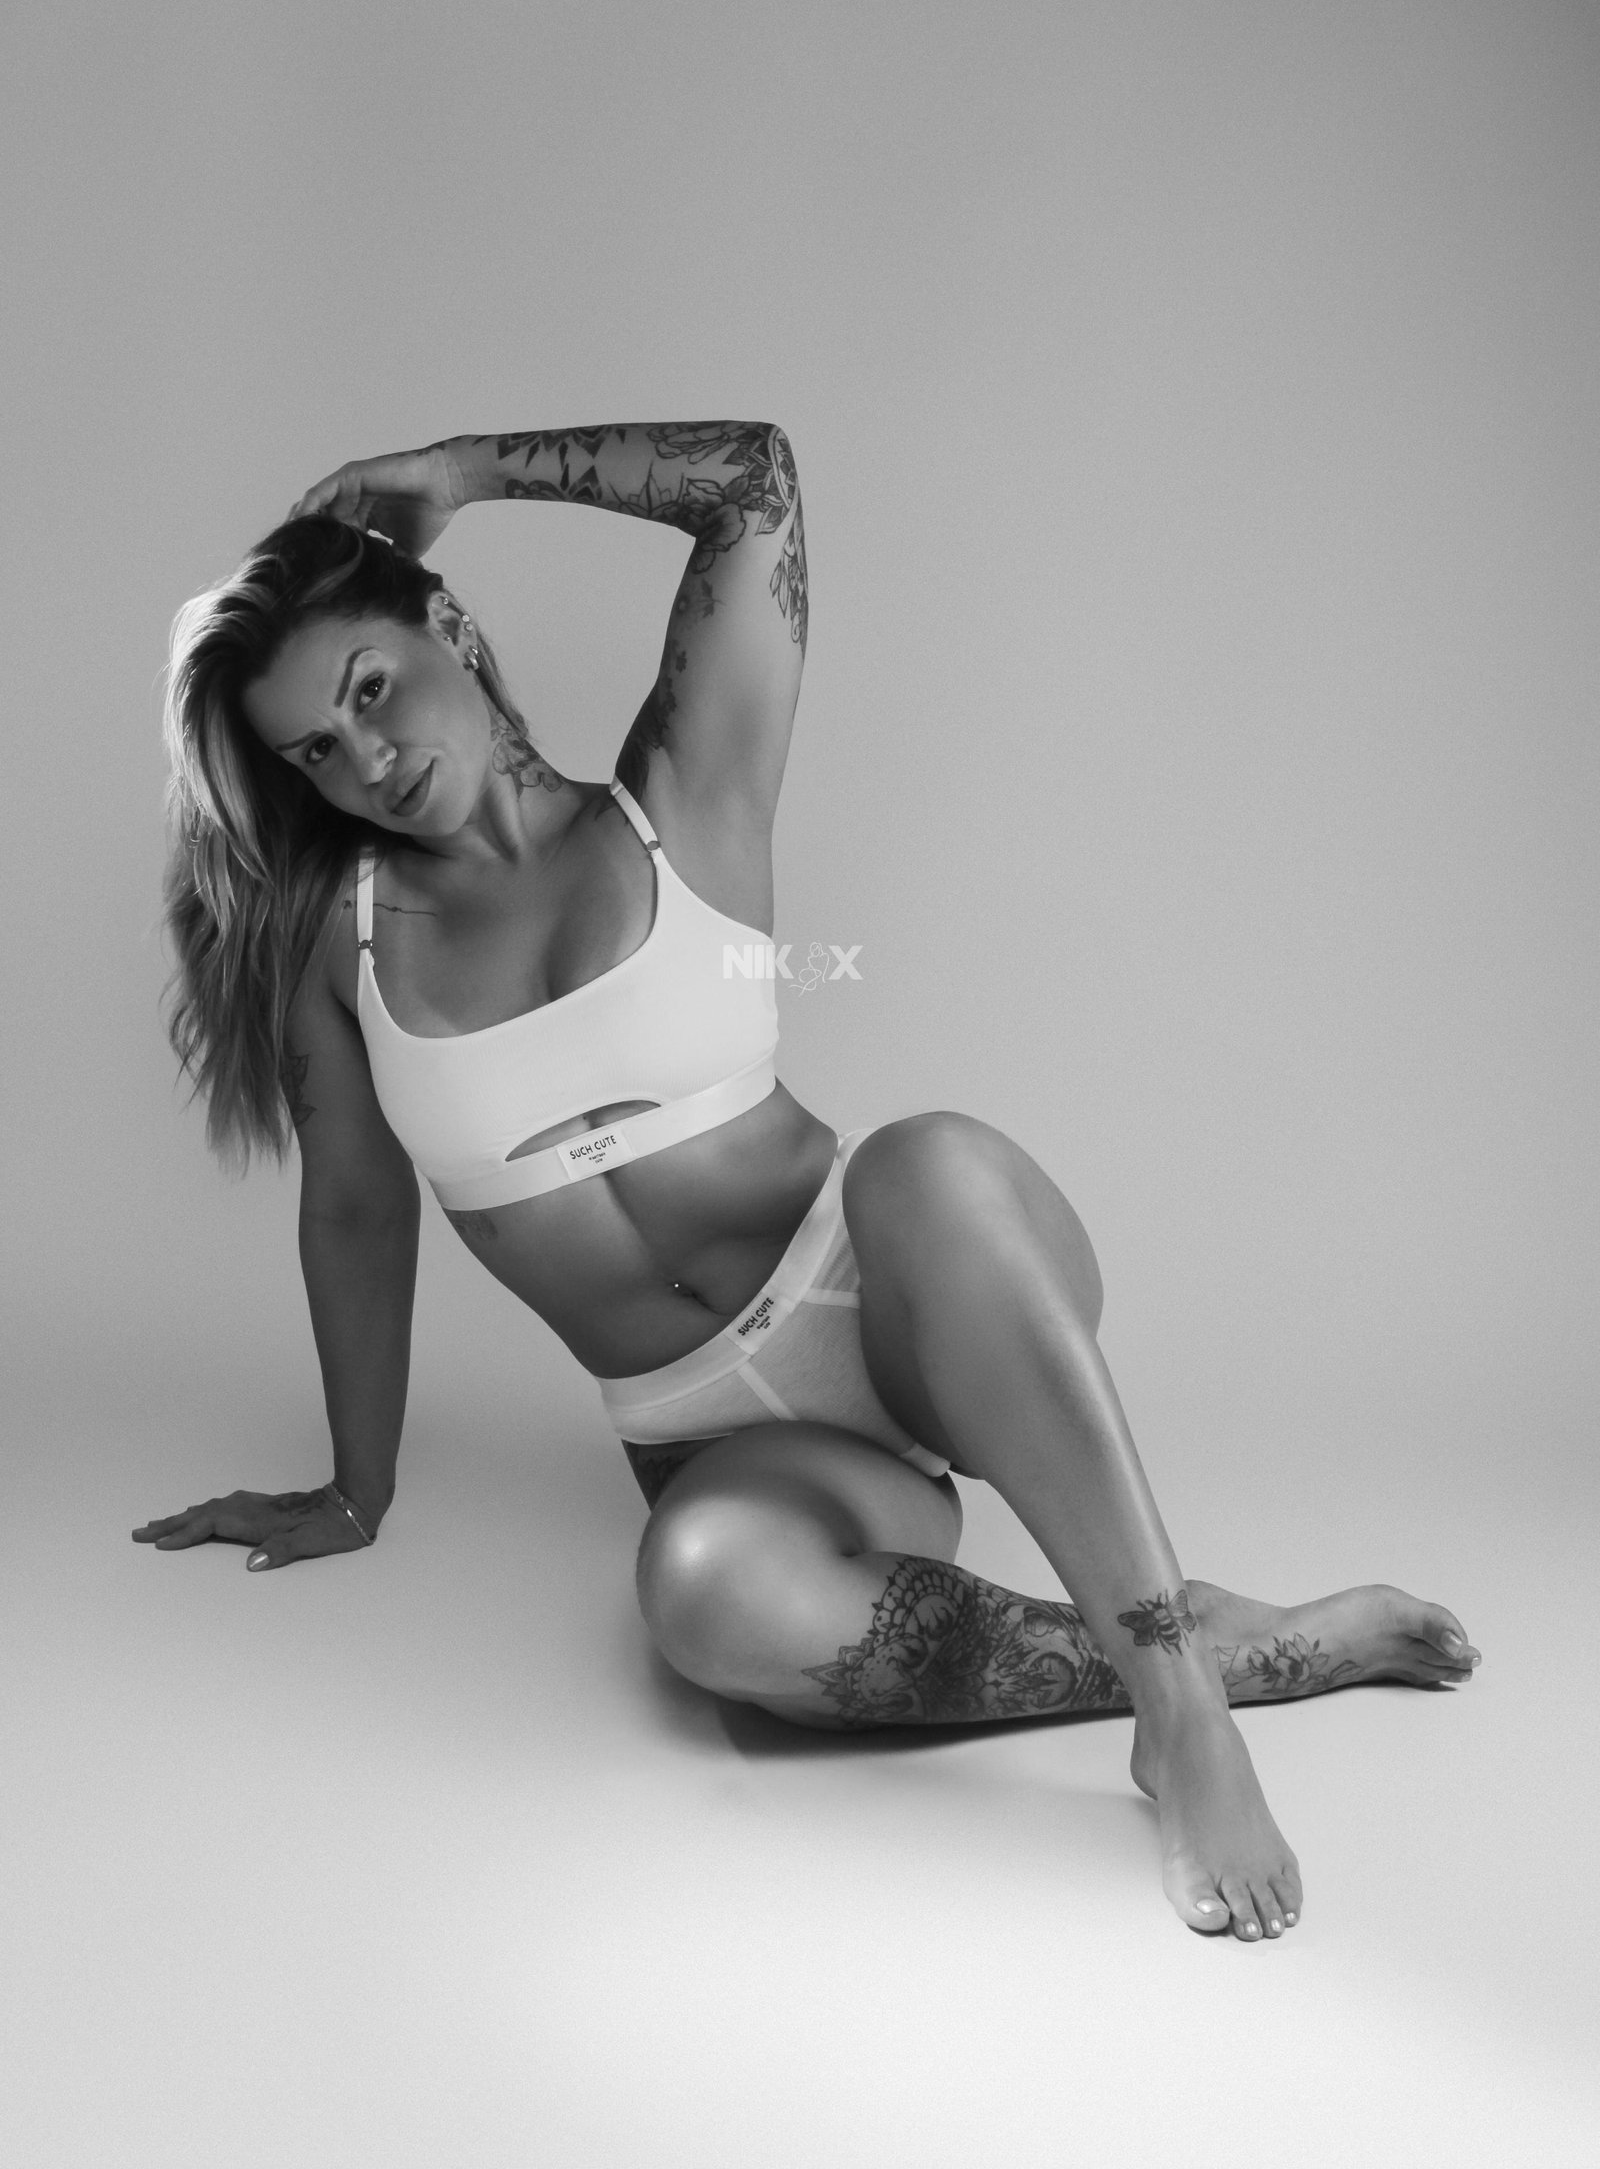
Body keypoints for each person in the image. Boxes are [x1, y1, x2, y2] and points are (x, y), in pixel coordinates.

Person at [137, 421, 1479, 1943]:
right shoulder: (347, 937)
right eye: (317, 748)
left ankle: (1185, 1717)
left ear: (444, 621)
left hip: (914, 1294)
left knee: (931, 1159)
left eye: (370, 689)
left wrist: (466, 473)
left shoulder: (677, 792)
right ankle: (1242, 1644)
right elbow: (355, 1210)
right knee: (702, 1599)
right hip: (713, 1436)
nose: (367, 760)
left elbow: (751, 481)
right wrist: (355, 1487)